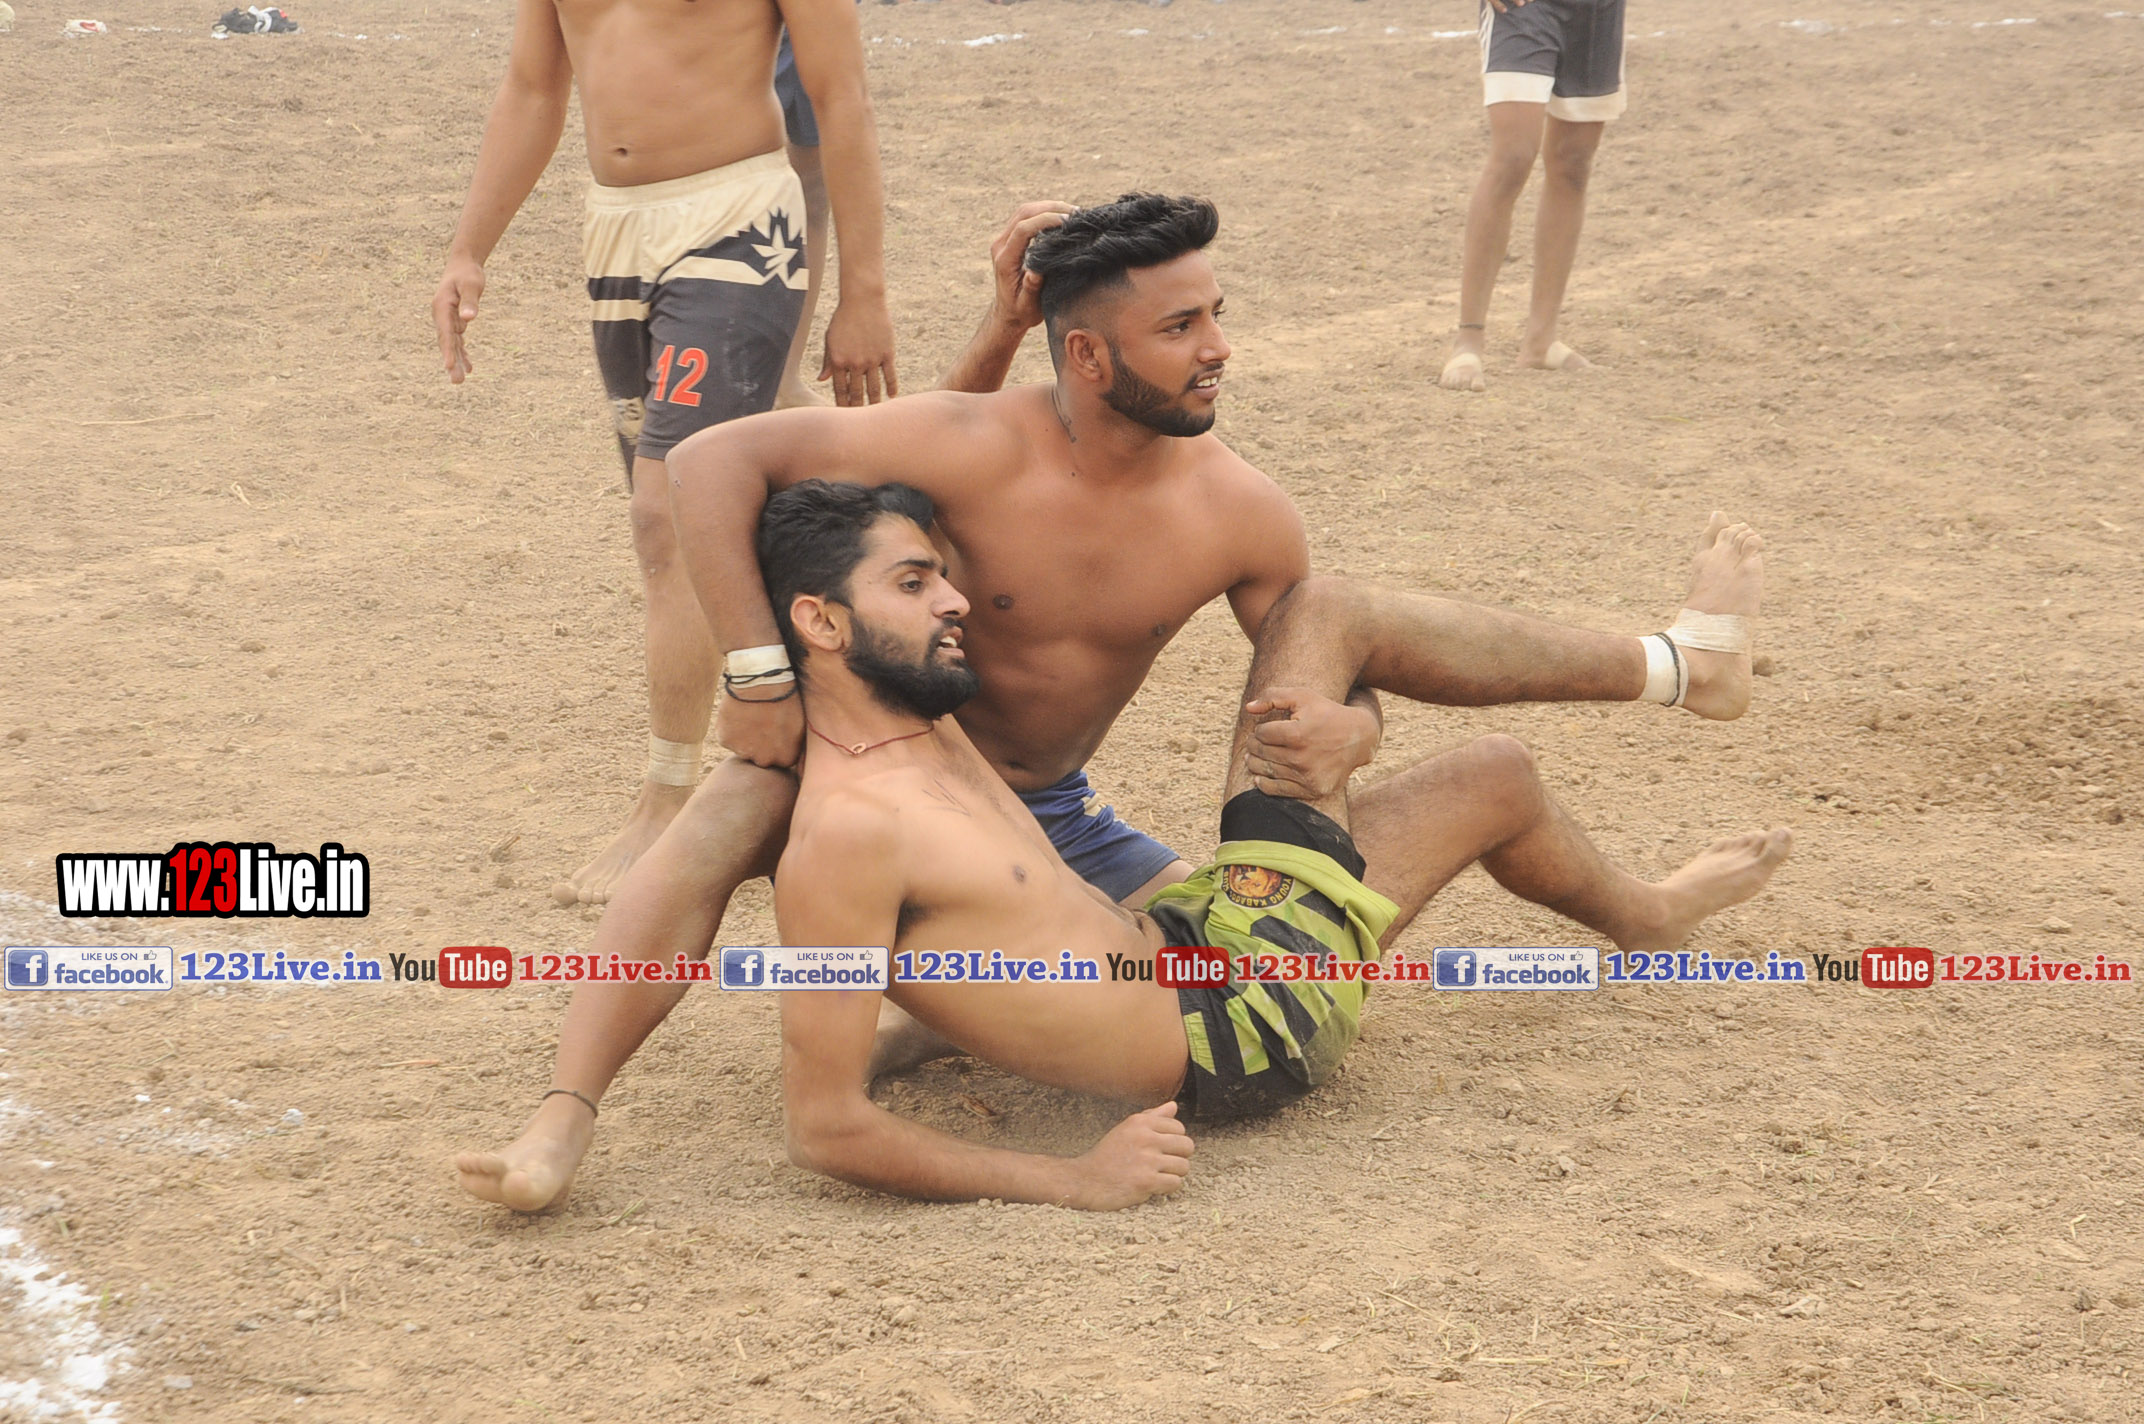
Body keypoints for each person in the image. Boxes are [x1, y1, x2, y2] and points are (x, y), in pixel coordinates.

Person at [454, 194, 1755, 1213]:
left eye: (1214, 316)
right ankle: (565, 1110)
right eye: (1180, 327)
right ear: (1087, 351)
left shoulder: (1238, 509)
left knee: (1183, 932)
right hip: (893, 766)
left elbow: (1326, 680)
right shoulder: (971, 447)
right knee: (732, 806)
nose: (1219, 348)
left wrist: (1354, 732)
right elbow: (714, 467)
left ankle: (1662, 773)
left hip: (1058, 821)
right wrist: (752, 676)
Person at [761, 480, 1787, 1207]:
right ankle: (1683, 668)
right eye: (912, 584)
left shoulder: (920, 718)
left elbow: (885, 470)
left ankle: (1649, 914)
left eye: (939, 576)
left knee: (1493, 778)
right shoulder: (848, 832)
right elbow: (825, 1125)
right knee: (1330, 616)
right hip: (1240, 1028)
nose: (953, 599)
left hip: (1192, 940)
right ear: (822, 622)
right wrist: (1075, 1178)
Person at [430, 0, 899, 905]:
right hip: (616, 231)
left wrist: (864, 292)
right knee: (713, 518)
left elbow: (841, 96)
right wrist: (467, 249)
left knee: (667, 515)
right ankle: (837, 724)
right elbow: (534, 85)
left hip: (738, 219)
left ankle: (669, 799)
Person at [1439, 0, 1626, 392]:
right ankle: (1468, 340)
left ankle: (1541, 342)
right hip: (1523, 8)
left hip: (1598, 11)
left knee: (1573, 163)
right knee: (1513, 157)